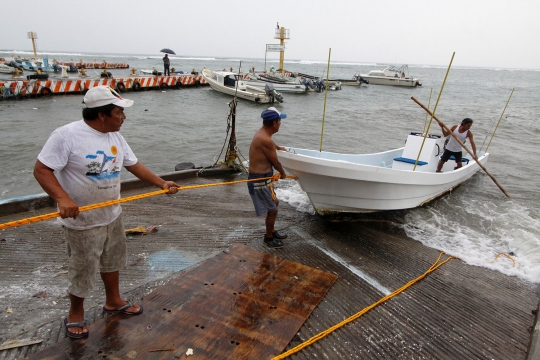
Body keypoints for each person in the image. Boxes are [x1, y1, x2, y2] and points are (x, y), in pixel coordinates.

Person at [33, 86, 180, 339]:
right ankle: (76, 313)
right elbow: (42, 170)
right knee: (83, 268)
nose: (124, 117)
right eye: (119, 112)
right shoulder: (66, 135)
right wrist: (63, 198)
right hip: (83, 220)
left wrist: (162, 183)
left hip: (112, 213)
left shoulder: (115, 136)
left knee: (113, 260)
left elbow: (134, 165)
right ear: (101, 115)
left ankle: (113, 301)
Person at [247, 107, 288, 249]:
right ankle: (268, 238)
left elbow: (269, 143)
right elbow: (275, 163)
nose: (281, 123)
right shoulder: (265, 139)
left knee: (274, 204)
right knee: (273, 209)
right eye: (280, 120)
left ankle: (272, 230)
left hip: (265, 178)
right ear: (274, 124)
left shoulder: (262, 133)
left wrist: (278, 147)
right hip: (259, 180)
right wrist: (282, 173)